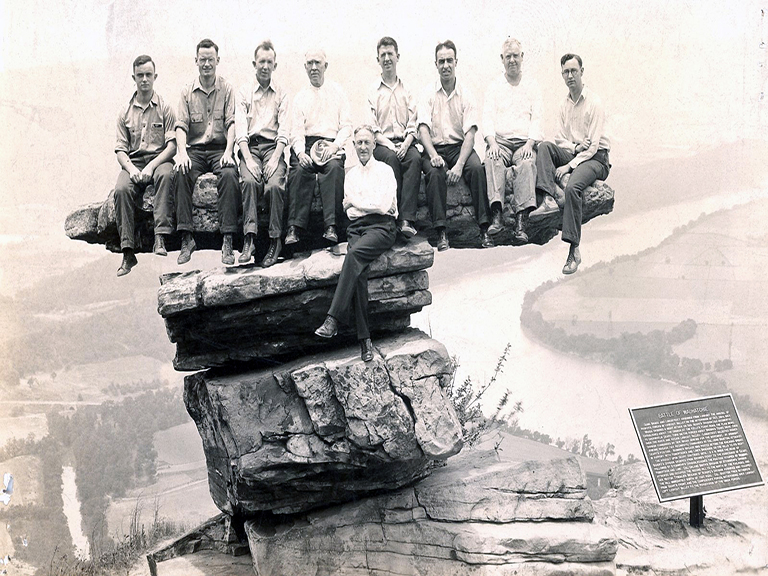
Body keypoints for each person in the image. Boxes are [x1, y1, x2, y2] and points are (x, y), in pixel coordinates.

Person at [314, 126, 398, 362]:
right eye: (358, 143)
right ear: (353, 145)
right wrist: (362, 205)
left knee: (354, 257)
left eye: (366, 142)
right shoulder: (350, 176)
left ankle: (333, 319)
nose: (362, 147)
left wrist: (356, 203)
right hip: (357, 228)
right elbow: (349, 214)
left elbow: (383, 207)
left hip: (382, 227)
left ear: (374, 145)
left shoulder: (385, 170)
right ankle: (365, 339)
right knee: (358, 274)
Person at [535, 53, 611, 274]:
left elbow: (594, 147)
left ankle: (573, 250)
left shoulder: (594, 103)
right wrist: (575, 147)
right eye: (566, 72)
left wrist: (569, 166)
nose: (570, 76)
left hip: (597, 159)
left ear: (582, 72)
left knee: (573, 187)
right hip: (577, 151)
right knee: (545, 147)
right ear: (562, 75)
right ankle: (548, 197)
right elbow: (559, 139)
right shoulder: (563, 105)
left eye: (573, 71)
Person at [418, 40, 493, 251]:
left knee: (477, 169)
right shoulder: (427, 94)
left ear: (456, 62)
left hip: (460, 147)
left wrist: (459, 165)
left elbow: (470, 134)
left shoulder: (466, 94)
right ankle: (441, 232)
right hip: (435, 148)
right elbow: (423, 129)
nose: (445, 65)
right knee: (434, 174)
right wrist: (432, 155)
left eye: (449, 60)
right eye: (441, 61)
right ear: (436, 64)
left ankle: (484, 228)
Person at [174, 38, 240, 266]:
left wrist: (229, 151)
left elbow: (232, 123)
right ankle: (186, 237)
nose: (206, 64)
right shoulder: (186, 92)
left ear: (218, 60)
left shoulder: (228, 89)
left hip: (221, 148)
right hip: (196, 150)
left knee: (230, 175)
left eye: (210, 60)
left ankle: (228, 238)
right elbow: (181, 127)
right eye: (202, 60)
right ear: (196, 61)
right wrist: (182, 153)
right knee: (180, 174)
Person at [113, 54, 176, 276]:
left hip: (159, 159)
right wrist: (132, 170)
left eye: (149, 75)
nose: (145, 80)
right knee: (121, 190)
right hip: (134, 161)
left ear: (155, 76)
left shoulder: (165, 108)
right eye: (140, 75)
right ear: (134, 77)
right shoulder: (125, 112)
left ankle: (160, 237)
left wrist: (151, 167)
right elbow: (121, 150)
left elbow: (172, 147)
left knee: (166, 176)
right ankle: (128, 252)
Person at [286, 49, 352, 246]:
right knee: (299, 171)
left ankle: (331, 226)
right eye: (310, 63)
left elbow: (347, 125)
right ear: (305, 67)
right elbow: (296, 132)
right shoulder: (299, 97)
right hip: (306, 145)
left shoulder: (338, 92)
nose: (314, 67)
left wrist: (335, 146)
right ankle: (294, 228)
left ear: (325, 66)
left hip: (330, 145)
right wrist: (300, 152)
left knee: (333, 170)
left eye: (317, 63)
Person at [483, 38, 542, 243]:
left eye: (516, 56)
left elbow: (537, 117)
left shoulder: (532, 86)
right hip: (501, 142)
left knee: (526, 164)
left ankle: (520, 220)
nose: (512, 60)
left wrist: (530, 144)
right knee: (492, 160)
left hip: (524, 142)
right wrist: (492, 143)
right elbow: (487, 118)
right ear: (502, 59)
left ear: (522, 57)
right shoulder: (494, 87)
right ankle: (497, 214)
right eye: (508, 57)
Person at [235, 40, 289, 267]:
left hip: (272, 148)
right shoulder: (243, 92)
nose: (265, 66)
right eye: (261, 62)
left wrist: (275, 158)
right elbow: (240, 130)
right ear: (254, 64)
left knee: (275, 185)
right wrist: (248, 159)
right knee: (248, 181)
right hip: (250, 149)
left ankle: (275, 240)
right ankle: (250, 238)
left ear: (275, 65)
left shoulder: (282, 93)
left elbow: (284, 130)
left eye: (269, 62)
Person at [366, 36, 420, 238]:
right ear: (378, 59)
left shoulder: (408, 89)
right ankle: (392, 218)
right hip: (383, 144)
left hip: (405, 142)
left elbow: (414, 121)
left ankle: (407, 220)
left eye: (390, 54)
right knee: (390, 160)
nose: (387, 58)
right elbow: (372, 127)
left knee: (414, 159)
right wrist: (390, 145)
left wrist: (406, 144)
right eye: (383, 55)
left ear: (398, 57)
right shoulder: (373, 91)